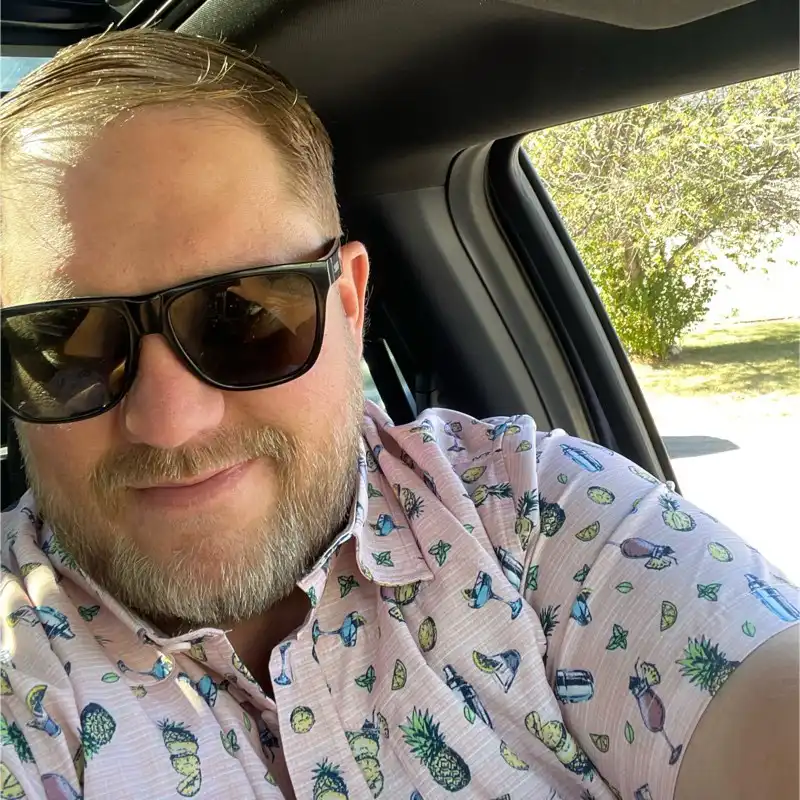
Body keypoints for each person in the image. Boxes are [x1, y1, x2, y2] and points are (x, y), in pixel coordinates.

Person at [0, 29, 797, 800]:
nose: (170, 421)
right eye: (63, 345)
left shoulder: (530, 514)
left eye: (241, 318)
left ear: (349, 304)